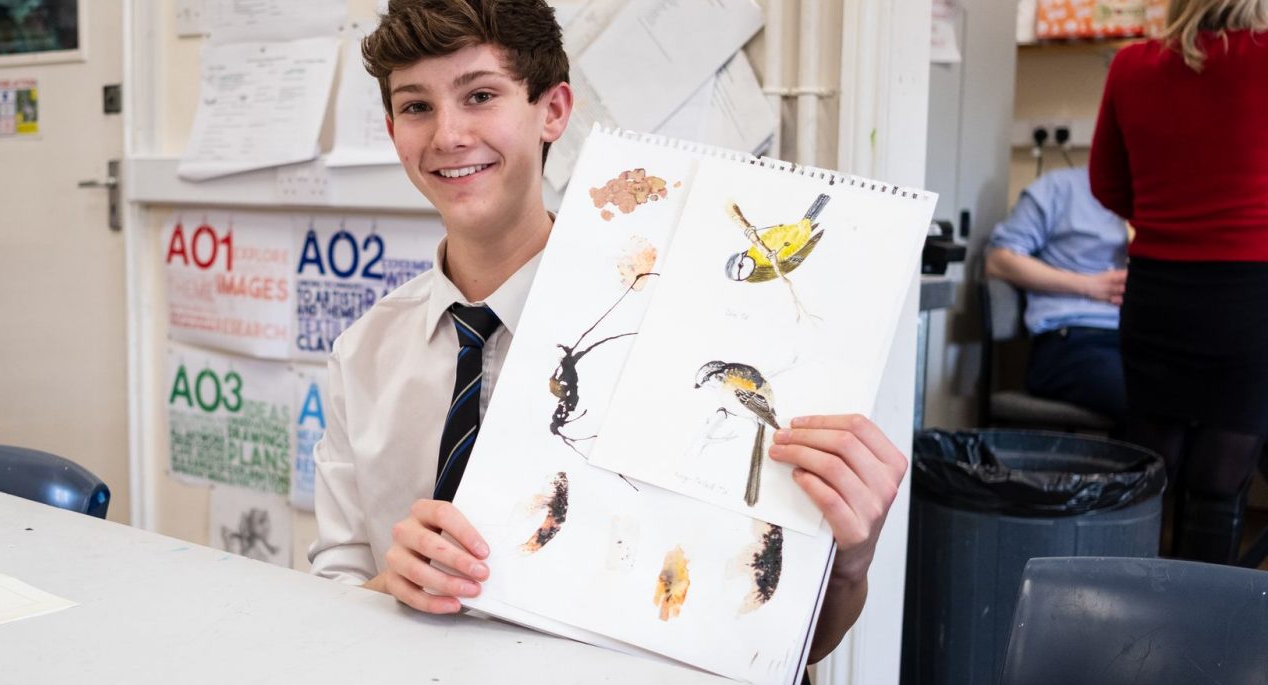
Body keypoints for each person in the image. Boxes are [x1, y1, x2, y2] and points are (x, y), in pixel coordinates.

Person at [308, 0, 909, 663]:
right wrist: (388, 585)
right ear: (393, 131)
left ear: (554, 110)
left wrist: (847, 567)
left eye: (480, 95)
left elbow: (766, 636)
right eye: (417, 107)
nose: (448, 134)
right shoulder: (361, 354)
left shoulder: (678, 331)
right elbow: (330, 591)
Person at [1089, 0, 1268, 564]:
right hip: (1251, 296)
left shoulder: (1133, 65)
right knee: (1221, 474)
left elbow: (1106, 184)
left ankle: (1137, 626)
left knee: (1153, 462)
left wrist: (1172, 217)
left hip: (1158, 293)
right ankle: (1204, 634)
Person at [985, 166, 1129, 419]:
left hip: (1129, 339)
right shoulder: (1059, 188)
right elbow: (999, 261)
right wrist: (1088, 285)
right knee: (1149, 400)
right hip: (1071, 341)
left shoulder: (1154, 195)